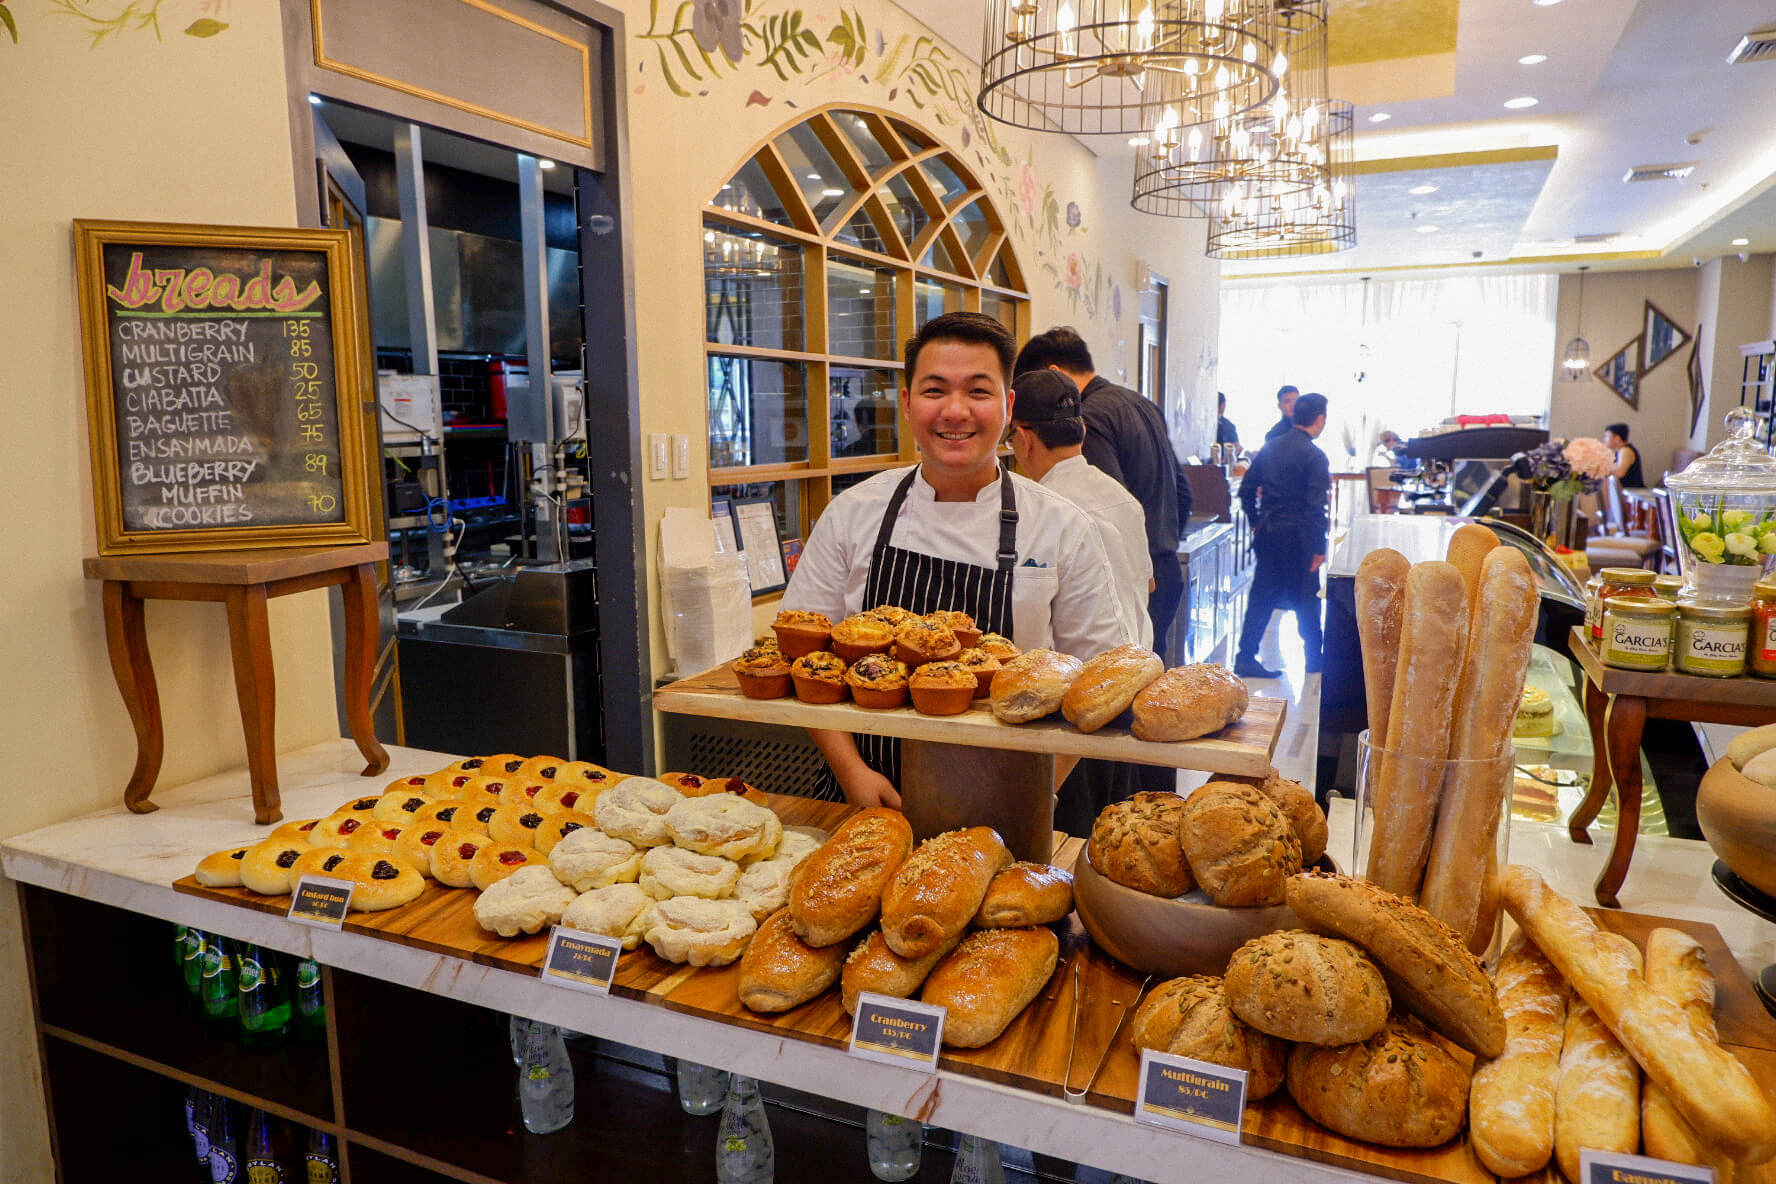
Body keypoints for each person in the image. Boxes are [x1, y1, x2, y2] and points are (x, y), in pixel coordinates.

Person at [781, 312, 1130, 807]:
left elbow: (1100, 679)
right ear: (907, 403)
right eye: (934, 390)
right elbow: (803, 661)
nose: (956, 411)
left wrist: (1034, 793)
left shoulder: (1063, 527)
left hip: (1010, 794)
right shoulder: (854, 513)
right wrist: (852, 772)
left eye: (978, 391)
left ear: (1008, 407)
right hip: (865, 790)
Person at [1008, 368, 1156, 834]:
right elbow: (1147, 585)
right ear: (1083, 430)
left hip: (1076, 719)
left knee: (1062, 853)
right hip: (1129, 699)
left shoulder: (1045, 513)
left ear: (1023, 438)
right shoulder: (1121, 497)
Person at [1012, 327, 1191, 659]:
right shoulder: (1140, 402)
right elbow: (1183, 491)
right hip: (1157, 581)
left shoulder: (1051, 509)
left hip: (1094, 659)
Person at [1234, 392, 1331, 680]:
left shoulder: (1271, 447)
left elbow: (1246, 490)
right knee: (1308, 597)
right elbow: (1316, 506)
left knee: (1261, 595)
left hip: (1269, 533)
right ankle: (1314, 660)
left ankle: (1245, 657)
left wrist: (1255, 521)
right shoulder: (1315, 456)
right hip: (1299, 538)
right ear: (1320, 419)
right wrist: (1318, 547)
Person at [1604, 422, 1645, 487]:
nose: (1605, 440)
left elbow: (1620, 473)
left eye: (1606, 436)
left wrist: (1600, 470)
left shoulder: (1625, 451)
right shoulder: (1618, 451)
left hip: (1634, 494)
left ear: (1617, 438)